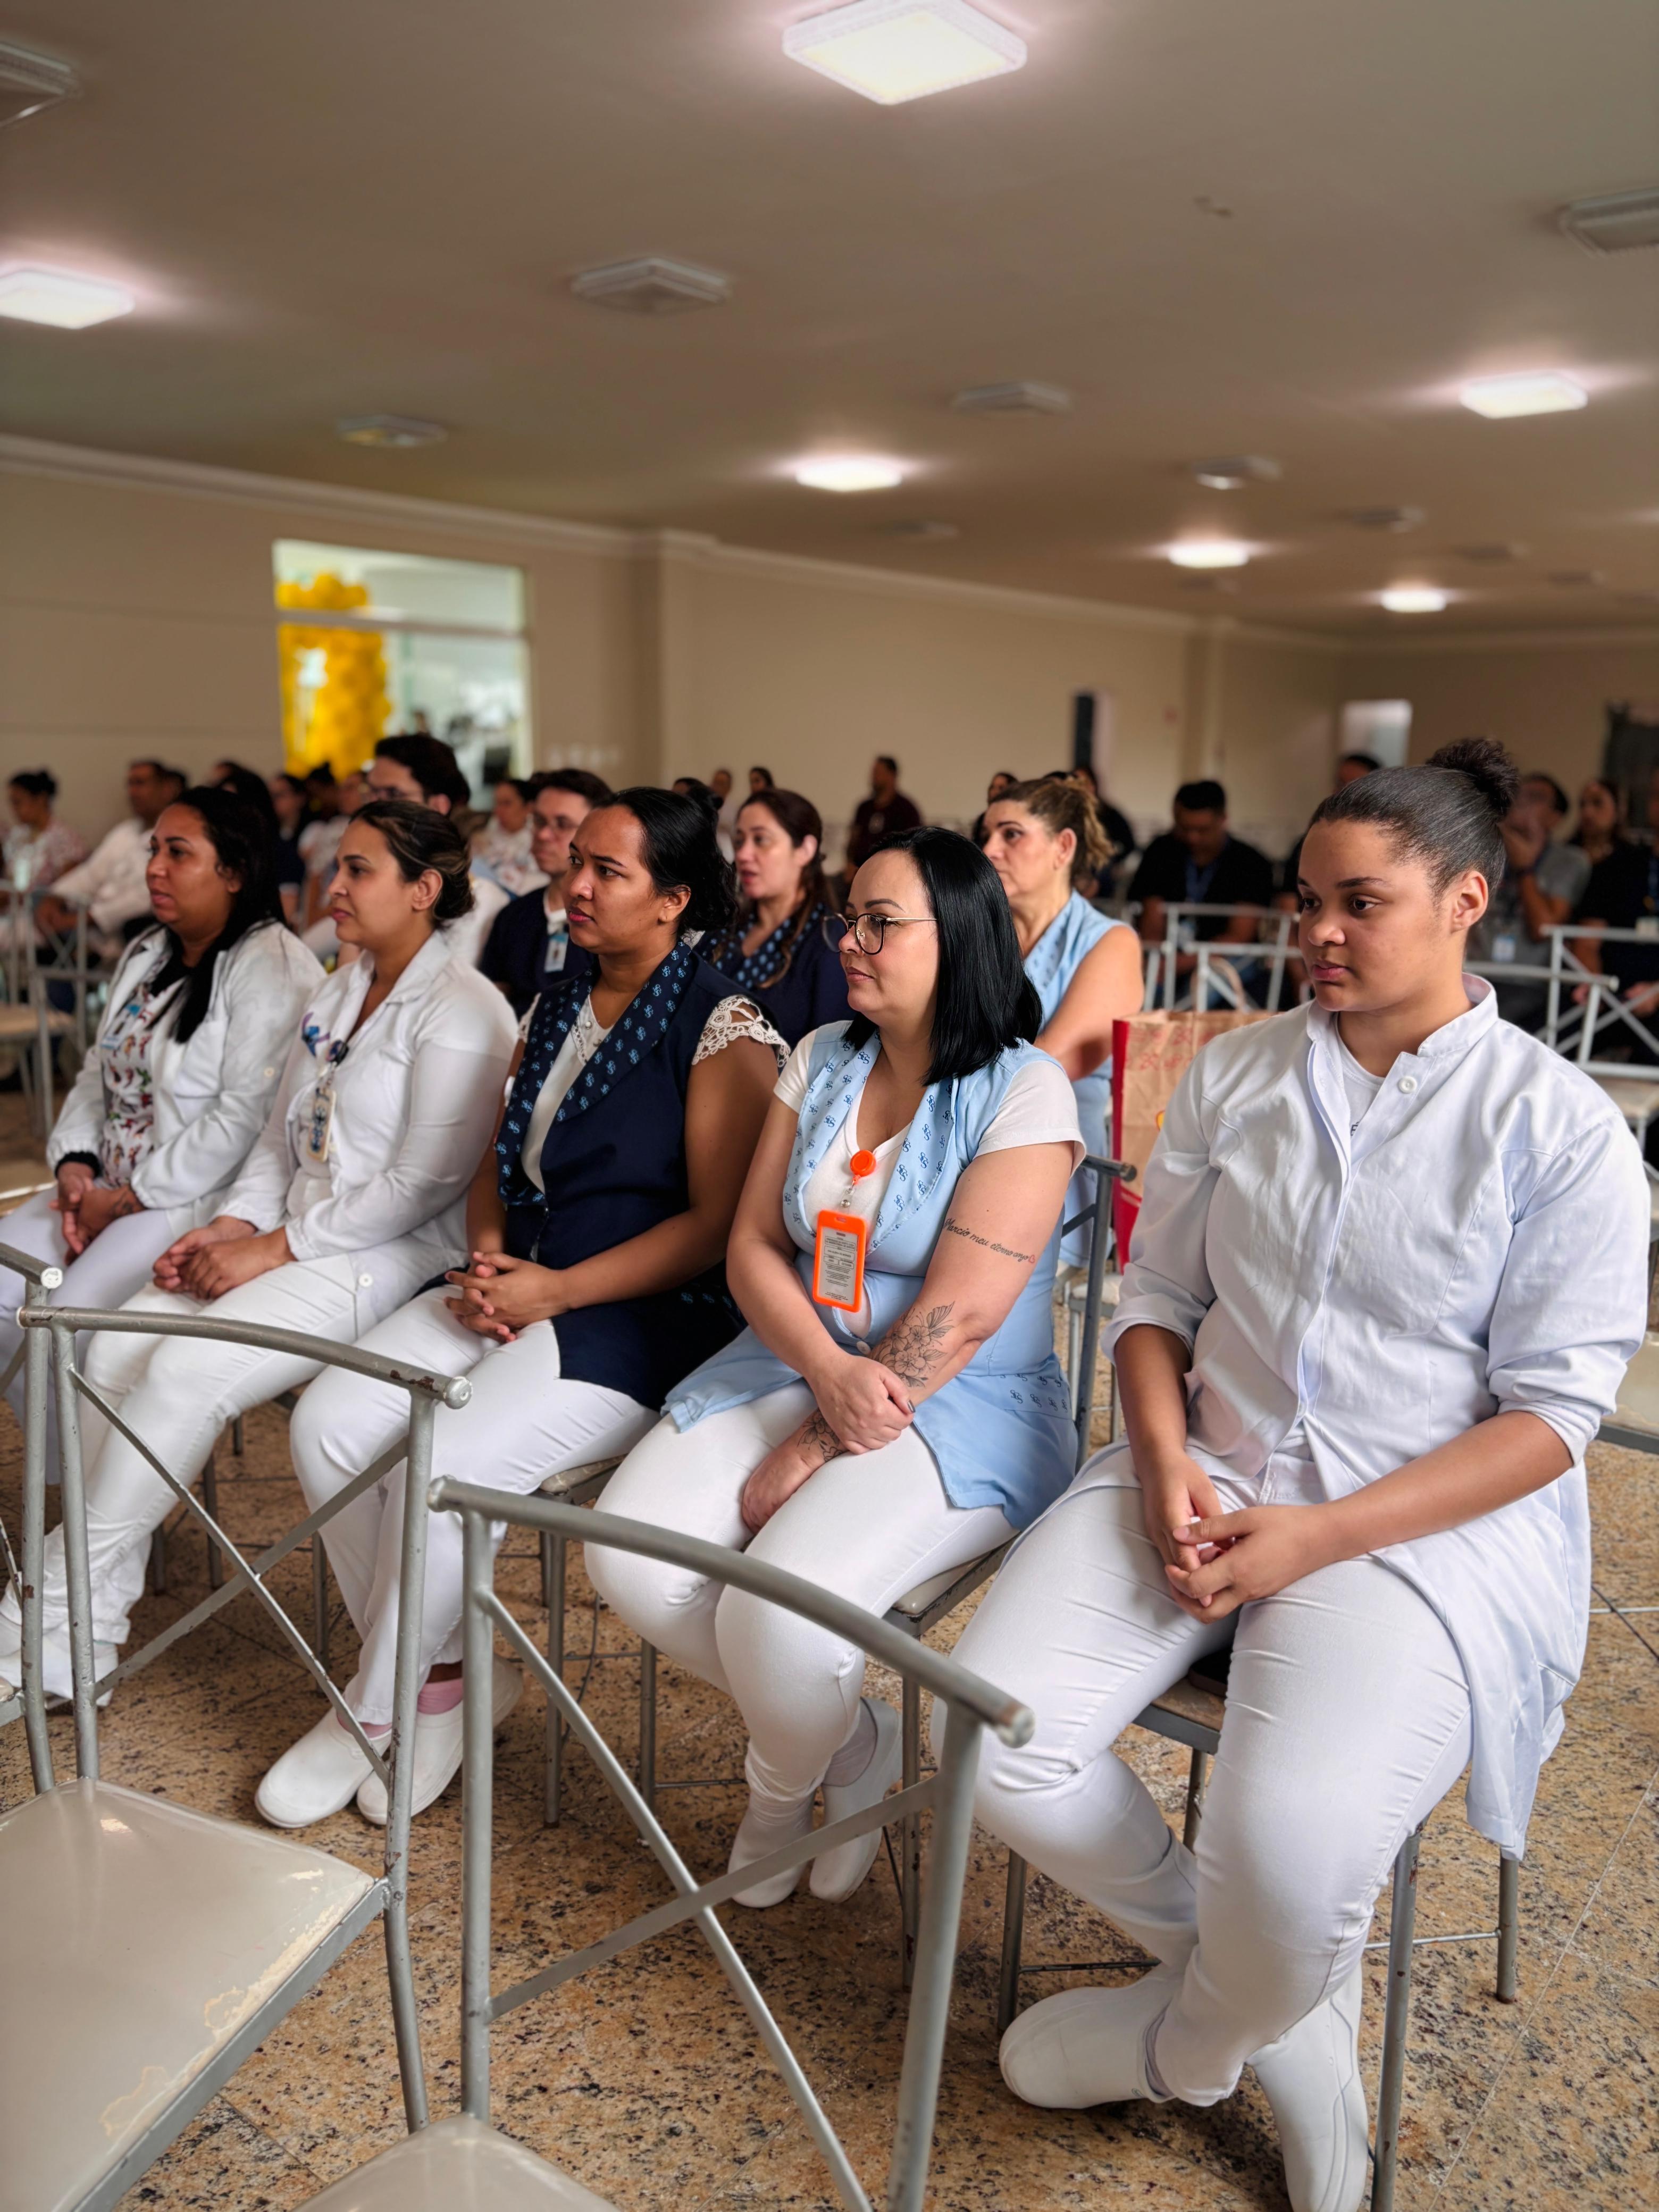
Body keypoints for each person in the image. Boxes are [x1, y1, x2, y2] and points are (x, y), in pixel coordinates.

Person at [954, 739, 1646, 2212]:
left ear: (1465, 902)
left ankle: (1194, 2041)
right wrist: (1159, 1464)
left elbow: (1549, 1417)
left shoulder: (1555, 1126)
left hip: (1410, 1525)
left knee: (1286, 1855)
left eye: (1359, 903)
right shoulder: (1238, 1075)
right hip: (1199, 1461)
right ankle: (1285, 2003)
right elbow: (1156, 1304)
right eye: (1305, 903)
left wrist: (1316, 1537)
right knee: (986, 1737)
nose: (1317, 933)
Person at [256, 790, 784, 1829]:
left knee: (445, 1466)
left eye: (607, 871)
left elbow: (719, 1226)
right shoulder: (557, 999)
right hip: (519, 1278)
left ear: (674, 900)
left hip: (639, 1311)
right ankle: (445, 1678)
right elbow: (500, 1161)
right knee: (331, 1425)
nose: (574, 885)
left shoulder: (722, 1026)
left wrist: (558, 1290)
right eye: (573, 861)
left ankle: (369, 1711)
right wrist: (493, 1258)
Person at [588, 827, 1083, 1911]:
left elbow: (962, 1311)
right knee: (629, 1559)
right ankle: (854, 1743)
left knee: (773, 1616)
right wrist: (818, 1369)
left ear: (960, 939)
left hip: (960, 1400)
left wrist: (813, 1446)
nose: (850, 941)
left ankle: (774, 1801)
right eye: (846, 919)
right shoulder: (821, 1056)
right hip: (791, 1358)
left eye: (880, 923)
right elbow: (752, 1245)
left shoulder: (1025, 1088)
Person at [0, 799, 517, 1706]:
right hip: (289, 1235)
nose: (334, 886)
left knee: (179, 1375)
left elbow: (420, 1186)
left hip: (387, 1256)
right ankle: (85, 1633)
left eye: (359, 870)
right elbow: (281, 1144)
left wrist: (276, 1245)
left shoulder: (467, 1011)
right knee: (113, 1349)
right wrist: (231, 1228)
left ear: (425, 890)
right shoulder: (340, 989)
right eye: (339, 865)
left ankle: (47, 1617)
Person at [0, 788, 326, 1686]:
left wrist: (125, 1198)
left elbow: (239, 1122)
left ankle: (97, 1538)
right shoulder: (149, 951)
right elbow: (96, 1076)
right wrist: (74, 1167)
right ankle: (80, 1504)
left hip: (189, 1201)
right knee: (5, 1282)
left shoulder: (275, 968)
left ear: (235, 870)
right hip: (103, 1187)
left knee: (68, 1318)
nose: (155, 868)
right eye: (154, 849)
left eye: (178, 853)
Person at [980, 777, 1145, 1258]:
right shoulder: (980, 938)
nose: (989, 850)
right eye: (987, 834)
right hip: (965, 1143)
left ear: (1063, 847)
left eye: (1011, 834)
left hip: (1057, 1169)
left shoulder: (1111, 943)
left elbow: (1042, 1070)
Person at [699, 786, 851, 1044]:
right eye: (740, 841)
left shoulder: (829, 943)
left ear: (805, 850)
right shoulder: (726, 927)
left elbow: (829, 1053)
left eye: (761, 840)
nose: (743, 855)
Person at [359, 734, 511, 965]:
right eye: (371, 792)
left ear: (438, 806)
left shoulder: (475, 893)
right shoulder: (371, 874)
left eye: (394, 794)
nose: (376, 807)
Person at [480, 769, 612, 1017]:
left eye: (562, 825)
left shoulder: (611, 921)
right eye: (539, 821)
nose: (542, 835)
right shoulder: (513, 916)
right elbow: (492, 997)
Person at [1471, 768, 1591, 1032]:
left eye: (1535, 798)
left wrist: (1526, 869)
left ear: (1556, 817)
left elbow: (1543, 928)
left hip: (1529, 983)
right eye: (1518, 795)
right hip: (1473, 973)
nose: (1521, 802)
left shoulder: (1570, 860)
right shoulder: (1482, 853)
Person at [1128, 780, 1273, 997]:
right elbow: (1152, 920)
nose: (1193, 837)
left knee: (1205, 987)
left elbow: (1240, 935)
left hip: (1227, 958)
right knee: (1141, 984)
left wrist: (1180, 963)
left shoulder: (1250, 863)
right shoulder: (1160, 852)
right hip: (1167, 956)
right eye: (1184, 828)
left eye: (1203, 830)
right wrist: (1157, 962)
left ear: (1223, 820)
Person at [37, 760, 184, 953]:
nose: (132, 792)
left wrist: (89, 918)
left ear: (166, 790)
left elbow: (144, 898)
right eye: (130, 784)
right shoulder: (125, 831)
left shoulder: (177, 840)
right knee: (34, 908)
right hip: (81, 923)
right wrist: (55, 896)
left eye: (140, 783)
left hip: (124, 933)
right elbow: (90, 875)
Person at [1571, 770, 1659, 1020]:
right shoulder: (1617, 866)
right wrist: (1595, 986)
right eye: (1656, 795)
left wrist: (1656, 993)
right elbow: (1587, 941)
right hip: (1610, 1003)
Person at [1278, 753, 1379, 900]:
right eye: (1340, 784)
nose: (1343, 793)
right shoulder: (1310, 842)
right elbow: (1288, 901)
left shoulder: (1383, 845)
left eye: (1354, 785)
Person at [3, 771, 87, 944]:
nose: (14, 809)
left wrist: (21, 896)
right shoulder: (18, 835)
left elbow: (66, 887)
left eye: (18, 802)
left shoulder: (64, 838)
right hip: (10, 913)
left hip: (41, 919)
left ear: (40, 800)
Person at [844, 756, 922, 875]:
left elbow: (912, 848)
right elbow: (853, 840)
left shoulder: (906, 809)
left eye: (879, 773)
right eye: (873, 773)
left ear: (892, 776)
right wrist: (850, 864)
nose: (874, 777)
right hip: (859, 870)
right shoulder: (864, 808)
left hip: (891, 872)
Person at [478, 777, 545, 896]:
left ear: (528, 807)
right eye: (497, 803)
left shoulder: (539, 841)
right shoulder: (490, 831)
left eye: (507, 804)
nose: (498, 811)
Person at [267, 772, 311, 924]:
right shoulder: (272, 837)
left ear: (300, 798)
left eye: (280, 795)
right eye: (271, 796)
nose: (274, 801)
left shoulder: (315, 831)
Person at [969, 769, 1020, 849]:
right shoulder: (983, 819)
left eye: (1001, 788)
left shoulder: (1017, 819)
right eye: (993, 787)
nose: (995, 792)